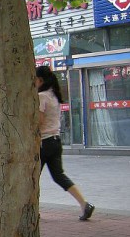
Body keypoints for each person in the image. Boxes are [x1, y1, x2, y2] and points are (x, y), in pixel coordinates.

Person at [35, 65, 94, 221]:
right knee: (59, 176)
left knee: (32, 179)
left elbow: (39, 122)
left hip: (43, 143)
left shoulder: (41, 96)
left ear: (40, 80)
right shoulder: (54, 96)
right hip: (56, 141)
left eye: (34, 80)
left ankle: (32, 211)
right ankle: (84, 204)